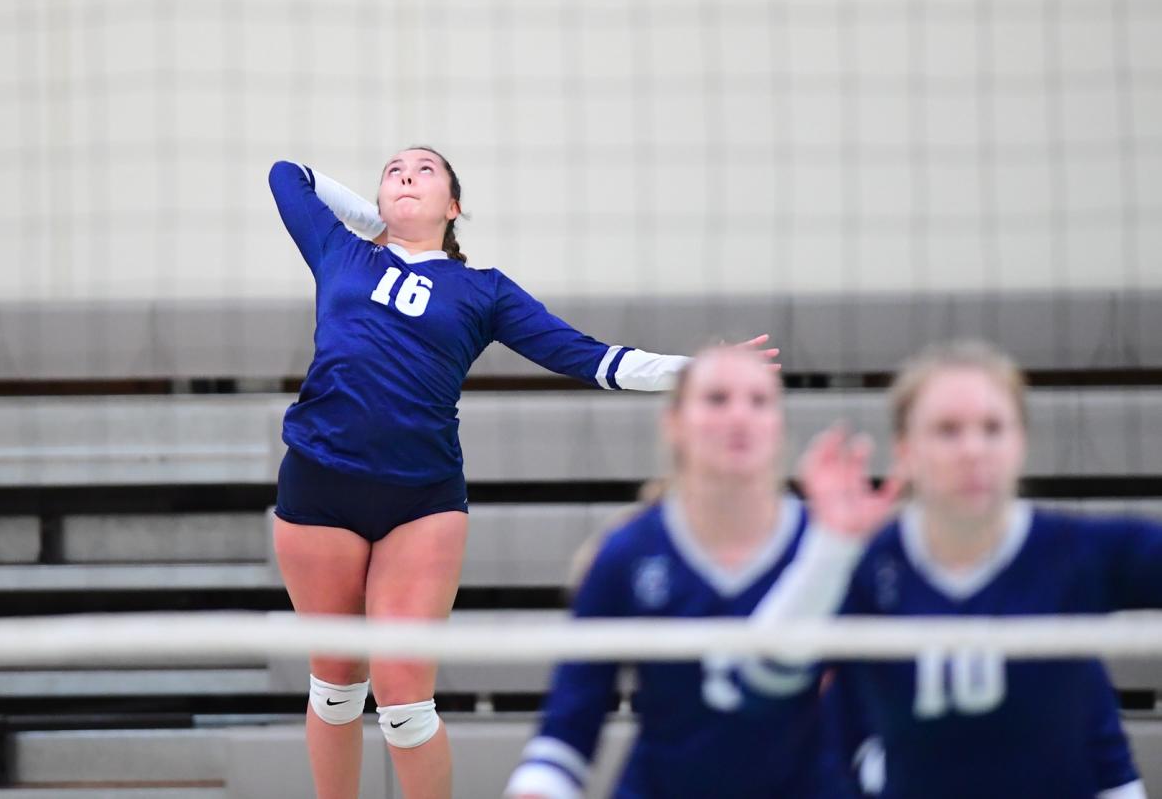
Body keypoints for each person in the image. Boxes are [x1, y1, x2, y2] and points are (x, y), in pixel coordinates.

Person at [268, 149, 778, 799]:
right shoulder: (342, 251)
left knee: (403, 700)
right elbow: (289, 175)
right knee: (337, 686)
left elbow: (586, 355)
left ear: (454, 205)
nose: (404, 176)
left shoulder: (483, 290)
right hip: (320, 481)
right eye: (394, 170)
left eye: (425, 172)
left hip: (419, 501)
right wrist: (386, 226)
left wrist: (697, 371)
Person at [750, 339, 1159, 798]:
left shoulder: (1073, 553)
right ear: (905, 451)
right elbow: (766, 668)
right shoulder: (870, 566)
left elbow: (1111, 771)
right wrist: (831, 547)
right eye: (947, 430)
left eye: (992, 428)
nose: (973, 450)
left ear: (1021, 442)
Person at [504, 345, 849, 799]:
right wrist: (539, 786)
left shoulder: (829, 548)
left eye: (759, 401)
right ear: (674, 423)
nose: (739, 417)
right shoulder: (628, 553)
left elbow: (868, 718)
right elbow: (571, 723)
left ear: (780, 425)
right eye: (717, 399)